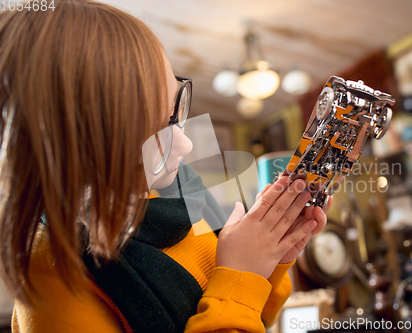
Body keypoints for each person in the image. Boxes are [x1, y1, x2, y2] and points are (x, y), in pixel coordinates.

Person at [0, 1, 332, 332]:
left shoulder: (180, 190)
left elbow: (255, 316)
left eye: (176, 109)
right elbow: (233, 297)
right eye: (156, 134)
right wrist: (239, 278)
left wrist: (270, 255)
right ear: (82, 151)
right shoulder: (56, 288)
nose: (185, 146)